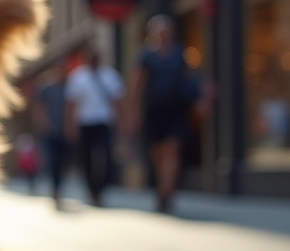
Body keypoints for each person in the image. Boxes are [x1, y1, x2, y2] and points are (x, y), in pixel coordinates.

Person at [126, 14, 207, 213]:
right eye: (160, 32)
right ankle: (163, 188)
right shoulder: (147, 56)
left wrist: (199, 100)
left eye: (167, 31)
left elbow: (188, 81)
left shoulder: (179, 54)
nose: (164, 35)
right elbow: (138, 84)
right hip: (154, 111)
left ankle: (166, 193)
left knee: (173, 149)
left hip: (175, 110)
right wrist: (133, 111)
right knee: (157, 154)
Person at [65, 43, 124, 207]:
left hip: (104, 122)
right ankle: (92, 190)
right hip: (85, 123)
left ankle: (102, 188)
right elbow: (71, 104)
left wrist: (123, 123)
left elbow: (117, 102)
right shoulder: (78, 77)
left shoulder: (110, 76)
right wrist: (70, 125)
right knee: (87, 159)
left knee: (106, 157)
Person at [34, 63, 69, 208]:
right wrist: (44, 123)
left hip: (65, 132)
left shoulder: (68, 89)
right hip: (51, 132)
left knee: (63, 162)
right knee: (53, 160)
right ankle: (55, 189)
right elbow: (40, 108)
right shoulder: (47, 89)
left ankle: (59, 187)